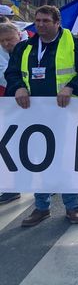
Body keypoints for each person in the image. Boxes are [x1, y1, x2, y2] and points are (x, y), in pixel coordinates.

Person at [5, 5, 78, 227]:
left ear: (58, 23)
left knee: (65, 159)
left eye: (46, 21)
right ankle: (41, 207)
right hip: (35, 114)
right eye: (37, 20)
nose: (40, 24)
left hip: (67, 112)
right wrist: (18, 87)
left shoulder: (75, 44)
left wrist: (71, 88)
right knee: (40, 160)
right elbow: (12, 73)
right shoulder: (25, 47)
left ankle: (72, 206)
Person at [0, 22, 22, 205]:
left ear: (19, 36)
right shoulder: (3, 54)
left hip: (28, 104)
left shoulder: (29, 51)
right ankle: (10, 187)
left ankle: (47, 183)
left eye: (9, 39)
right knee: (8, 148)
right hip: (7, 107)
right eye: (2, 41)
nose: (6, 43)